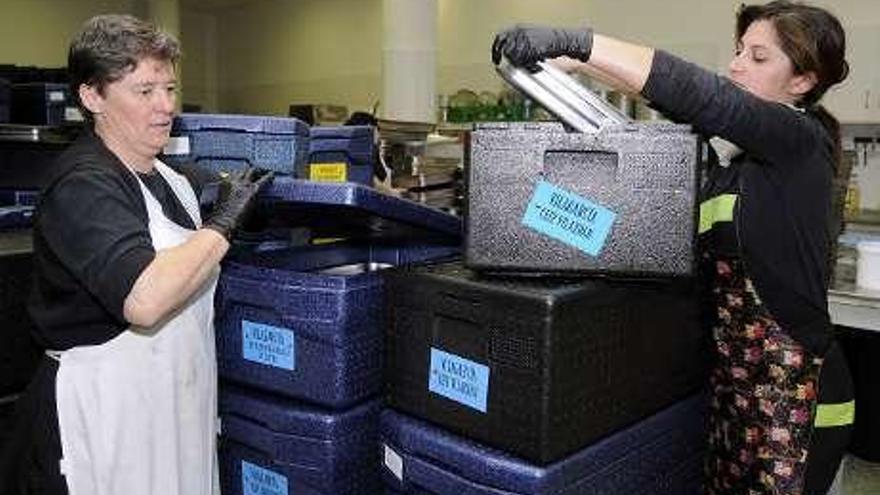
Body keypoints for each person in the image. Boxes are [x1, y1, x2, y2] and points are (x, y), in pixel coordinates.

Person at [493, 2, 853, 494]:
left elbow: (706, 97)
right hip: (734, 396)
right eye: (738, 51)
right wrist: (577, 67)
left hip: (796, 400)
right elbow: (679, 110)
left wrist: (577, 42)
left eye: (759, 56)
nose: (737, 64)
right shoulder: (731, 169)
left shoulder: (801, 143)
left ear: (803, 82)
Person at [0, 14, 270, 495]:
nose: (165, 106)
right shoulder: (83, 184)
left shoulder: (174, 180)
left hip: (173, 413)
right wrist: (223, 225)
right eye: (145, 92)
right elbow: (144, 299)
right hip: (107, 419)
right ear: (92, 97)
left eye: (169, 89)